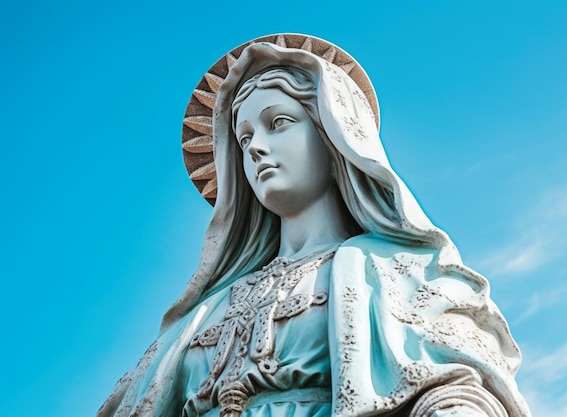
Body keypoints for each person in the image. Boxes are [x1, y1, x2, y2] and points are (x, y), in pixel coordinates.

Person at [98, 34, 531, 417]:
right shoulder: (201, 316)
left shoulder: (403, 273)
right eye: (245, 138)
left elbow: (459, 387)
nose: (257, 149)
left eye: (279, 123)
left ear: (333, 133)